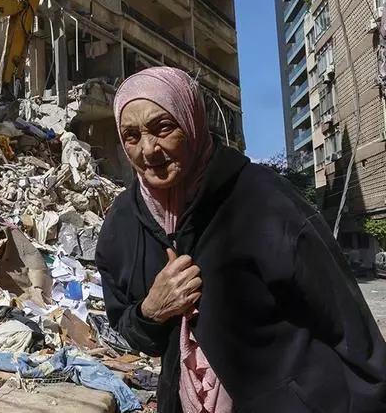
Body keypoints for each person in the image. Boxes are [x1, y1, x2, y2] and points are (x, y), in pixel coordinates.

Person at [96, 66, 386, 412]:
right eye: (131, 136)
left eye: (163, 128)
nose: (148, 150)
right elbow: (128, 331)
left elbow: (346, 323)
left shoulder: (263, 200)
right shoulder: (123, 225)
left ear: (191, 122)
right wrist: (152, 311)